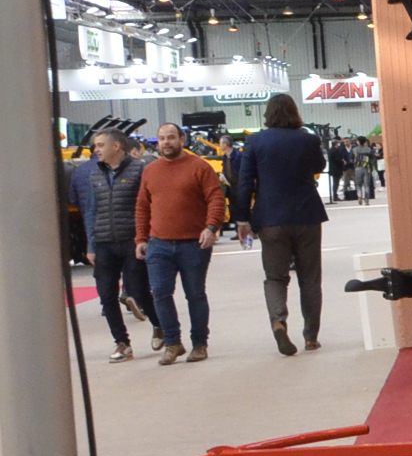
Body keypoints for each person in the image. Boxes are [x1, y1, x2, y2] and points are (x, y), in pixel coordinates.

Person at [229, 93, 329, 355]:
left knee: (275, 277)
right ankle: (311, 337)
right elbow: (319, 165)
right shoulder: (308, 139)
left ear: (268, 113)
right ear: (295, 112)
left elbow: (245, 182)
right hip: (307, 216)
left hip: (270, 218)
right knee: (310, 278)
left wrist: (242, 219)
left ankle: (278, 322)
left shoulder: (255, 141)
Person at [135, 122, 226, 364]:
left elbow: (216, 199)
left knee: (195, 295)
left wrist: (211, 227)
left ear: (182, 140)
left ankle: (200, 344)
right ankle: (172, 343)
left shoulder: (200, 167)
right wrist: (141, 238)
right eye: (162, 138)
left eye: (171, 137)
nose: (166, 142)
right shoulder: (150, 171)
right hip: (158, 244)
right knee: (160, 294)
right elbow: (142, 207)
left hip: (193, 244)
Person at [79, 129, 155, 361]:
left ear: (116, 146)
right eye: (96, 145)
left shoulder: (139, 170)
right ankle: (122, 343)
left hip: (132, 240)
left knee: (139, 290)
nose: (96, 150)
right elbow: (91, 211)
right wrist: (91, 245)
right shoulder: (95, 174)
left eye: (101, 145)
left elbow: (149, 205)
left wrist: (146, 238)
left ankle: (160, 325)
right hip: (104, 243)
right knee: (106, 295)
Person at [326, 136, 356, 203]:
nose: (346, 143)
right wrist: (342, 161)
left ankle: (355, 194)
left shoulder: (353, 148)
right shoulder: (338, 150)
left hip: (351, 167)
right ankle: (342, 195)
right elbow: (338, 159)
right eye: (345, 142)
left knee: (355, 181)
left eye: (347, 141)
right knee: (343, 182)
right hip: (341, 168)